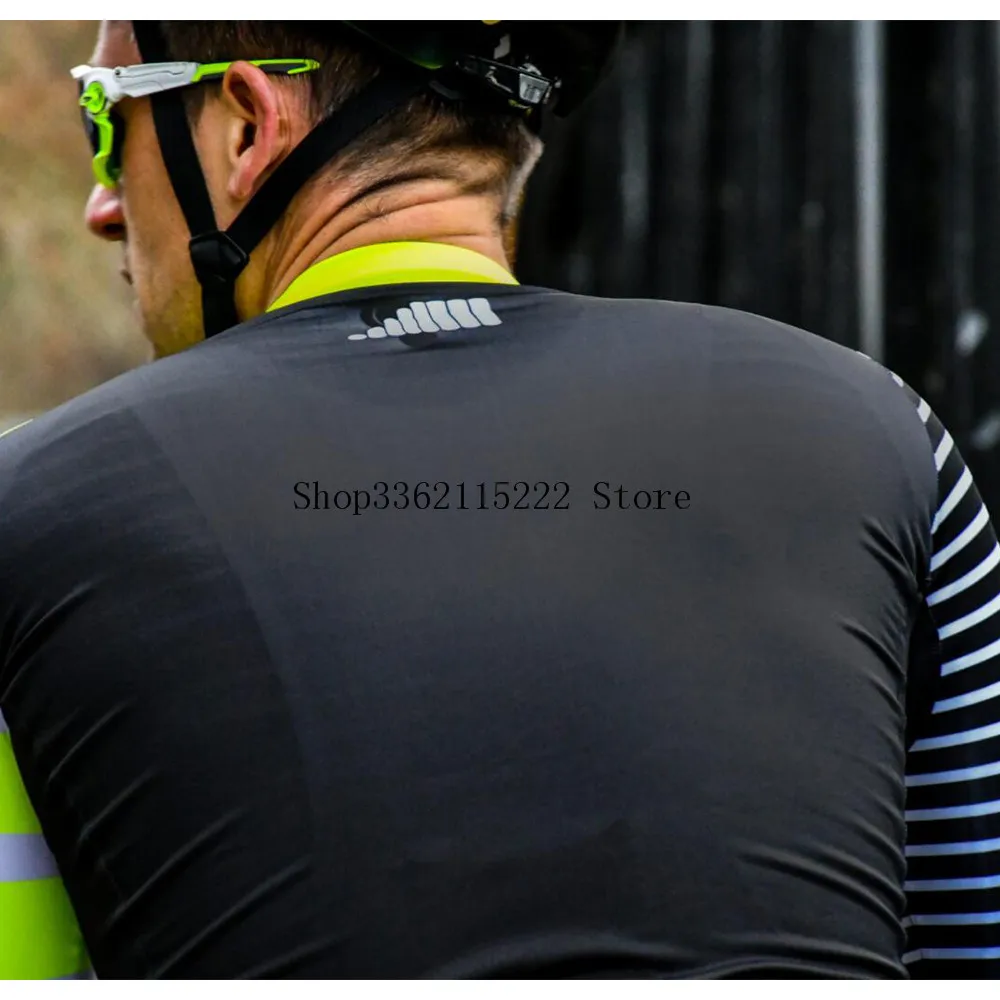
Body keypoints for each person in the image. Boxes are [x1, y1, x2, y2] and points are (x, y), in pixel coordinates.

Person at [0, 18, 997, 979]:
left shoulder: (28, 512)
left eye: (105, 119)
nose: (102, 206)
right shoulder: (886, 433)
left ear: (250, 125)